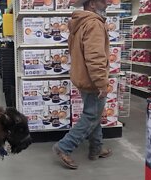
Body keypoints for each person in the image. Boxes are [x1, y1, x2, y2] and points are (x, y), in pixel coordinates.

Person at [52, 0, 112, 169]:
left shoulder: (79, 23)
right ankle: (64, 147)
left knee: (95, 114)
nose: (107, 4)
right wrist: (102, 83)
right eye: (103, 1)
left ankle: (96, 148)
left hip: (82, 76)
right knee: (91, 116)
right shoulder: (93, 24)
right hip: (92, 80)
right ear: (92, 4)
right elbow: (95, 57)